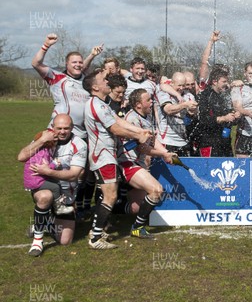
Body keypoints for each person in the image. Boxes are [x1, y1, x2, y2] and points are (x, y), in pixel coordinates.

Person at [83, 69, 152, 249]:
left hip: (107, 155)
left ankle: (96, 231)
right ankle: (95, 238)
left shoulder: (102, 103)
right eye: (103, 80)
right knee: (110, 195)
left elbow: (119, 121)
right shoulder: (96, 104)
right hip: (102, 155)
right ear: (95, 86)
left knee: (108, 194)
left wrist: (139, 131)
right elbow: (115, 128)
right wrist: (138, 137)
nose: (107, 82)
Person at [17, 114, 87, 256]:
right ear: (52, 128)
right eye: (59, 128)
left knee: (65, 241)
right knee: (45, 196)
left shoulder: (79, 145)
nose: (62, 131)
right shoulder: (44, 138)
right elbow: (21, 157)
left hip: (66, 196)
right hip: (42, 186)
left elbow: (74, 174)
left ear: (72, 128)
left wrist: (48, 171)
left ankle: (45, 223)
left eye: (66, 128)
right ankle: (37, 241)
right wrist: (41, 140)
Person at [118, 88, 175, 238]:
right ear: (138, 105)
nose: (152, 102)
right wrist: (163, 154)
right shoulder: (132, 119)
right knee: (156, 190)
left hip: (139, 164)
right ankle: (137, 228)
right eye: (148, 100)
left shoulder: (147, 115)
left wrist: (165, 152)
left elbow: (152, 141)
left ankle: (113, 208)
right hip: (128, 163)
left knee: (137, 207)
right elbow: (141, 147)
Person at [31, 33, 104, 139]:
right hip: (59, 132)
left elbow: (84, 68)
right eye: (74, 62)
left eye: (80, 62)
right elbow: (36, 64)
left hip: (83, 134)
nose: (77, 64)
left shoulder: (87, 80)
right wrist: (46, 45)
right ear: (66, 64)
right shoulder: (57, 78)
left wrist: (92, 55)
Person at [189, 67, 240, 157]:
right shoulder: (205, 96)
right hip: (208, 142)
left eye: (226, 81)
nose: (226, 84)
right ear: (214, 82)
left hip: (224, 141)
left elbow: (229, 116)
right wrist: (224, 118)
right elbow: (203, 119)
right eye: (224, 82)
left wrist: (235, 115)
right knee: (208, 169)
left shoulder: (224, 95)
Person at [156, 72, 198, 156]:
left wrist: (192, 112)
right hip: (167, 141)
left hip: (183, 141)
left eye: (183, 85)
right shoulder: (164, 93)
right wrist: (184, 105)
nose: (181, 88)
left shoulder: (189, 96)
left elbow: (193, 115)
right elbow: (168, 110)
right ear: (171, 83)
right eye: (179, 85)